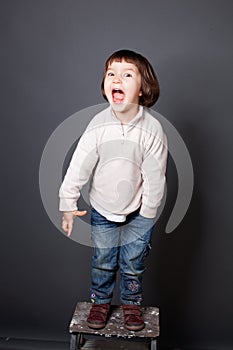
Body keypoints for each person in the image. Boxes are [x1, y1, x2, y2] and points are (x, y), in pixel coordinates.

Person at [59, 49, 168, 331]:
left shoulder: (152, 129)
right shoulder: (98, 125)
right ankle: (101, 301)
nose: (116, 78)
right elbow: (79, 164)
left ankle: (131, 302)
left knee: (133, 263)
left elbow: (156, 177)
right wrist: (67, 203)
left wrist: (148, 215)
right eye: (111, 74)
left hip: (139, 211)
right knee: (103, 261)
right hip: (103, 208)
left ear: (143, 89)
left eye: (127, 74)